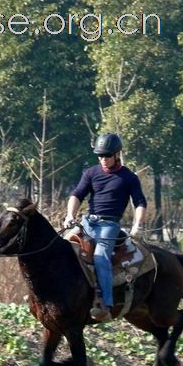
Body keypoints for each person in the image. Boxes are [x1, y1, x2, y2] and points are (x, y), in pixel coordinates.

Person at [64, 133, 147, 322]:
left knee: (101, 257)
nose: (102, 159)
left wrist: (138, 226)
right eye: (99, 155)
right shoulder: (91, 173)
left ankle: (106, 305)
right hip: (87, 222)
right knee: (60, 247)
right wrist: (70, 215)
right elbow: (76, 195)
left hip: (109, 225)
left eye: (106, 155)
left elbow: (140, 202)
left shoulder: (128, 177)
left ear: (117, 154)